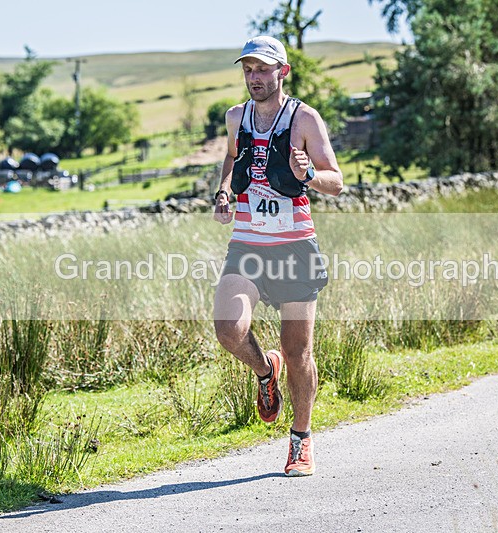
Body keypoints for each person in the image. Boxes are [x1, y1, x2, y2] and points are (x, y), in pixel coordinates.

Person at [213, 35, 343, 477]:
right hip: (248, 242)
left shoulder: (304, 118)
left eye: (263, 70)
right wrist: (225, 191)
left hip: (294, 246)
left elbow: (336, 180)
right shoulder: (236, 117)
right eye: (248, 70)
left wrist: (308, 174)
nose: (254, 78)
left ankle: (300, 441)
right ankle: (265, 370)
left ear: (282, 72)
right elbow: (232, 159)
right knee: (228, 328)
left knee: (299, 349)